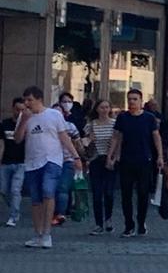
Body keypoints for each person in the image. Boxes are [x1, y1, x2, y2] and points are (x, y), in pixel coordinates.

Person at [16, 87, 82, 248]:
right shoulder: (24, 116)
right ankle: (38, 233)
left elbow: (63, 136)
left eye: (30, 100)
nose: (27, 103)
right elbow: (18, 139)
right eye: (26, 100)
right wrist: (24, 120)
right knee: (36, 199)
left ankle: (47, 233)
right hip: (32, 162)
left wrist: (75, 156)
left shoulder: (54, 115)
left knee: (48, 191)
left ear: (39, 99)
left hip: (52, 160)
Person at [106, 89, 160, 238]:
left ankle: (141, 222)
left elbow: (156, 137)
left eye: (135, 99)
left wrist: (160, 156)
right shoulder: (123, 117)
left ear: (141, 101)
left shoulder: (149, 118)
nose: (132, 102)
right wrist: (110, 156)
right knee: (126, 195)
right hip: (126, 161)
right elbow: (116, 137)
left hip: (144, 161)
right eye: (129, 99)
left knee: (143, 193)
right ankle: (129, 225)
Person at [82, 100, 117, 235]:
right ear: (97, 109)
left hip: (109, 159)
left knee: (109, 192)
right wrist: (89, 139)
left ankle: (108, 218)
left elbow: (119, 140)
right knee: (97, 193)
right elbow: (84, 143)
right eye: (102, 107)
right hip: (96, 160)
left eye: (107, 107)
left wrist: (113, 158)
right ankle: (98, 224)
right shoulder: (91, 125)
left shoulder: (114, 124)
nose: (104, 110)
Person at [1, 98, 25, 228]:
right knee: (4, 190)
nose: (20, 112)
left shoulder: (27, 125)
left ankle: (14, 216)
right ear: (12, 109)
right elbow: (1, 144)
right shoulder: (5, 124)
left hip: (22, 162)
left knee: (15, 189)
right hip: (6, 161)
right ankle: (15, 208)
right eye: (17, 109)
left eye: (22, 110)